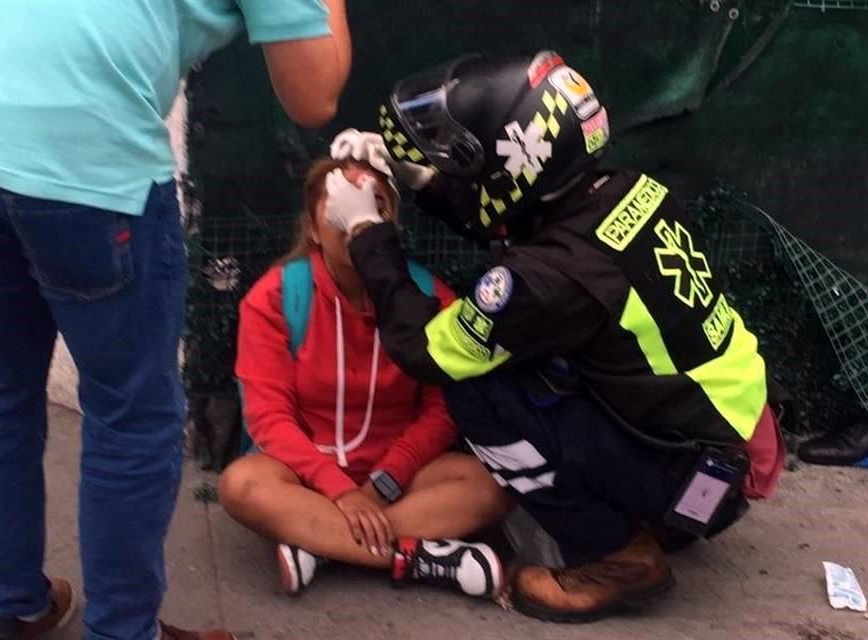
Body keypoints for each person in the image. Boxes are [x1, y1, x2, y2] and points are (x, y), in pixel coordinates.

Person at [326, 51, 785, 623]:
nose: (450, 172)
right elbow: (501, 212)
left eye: (460, 162)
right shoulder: (624, 192)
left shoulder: (551, 278)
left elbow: (427, 349)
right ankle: (646, 511)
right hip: (731, 436)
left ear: (515, 167)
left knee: (478, 388)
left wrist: (369, 233)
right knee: (537, 364)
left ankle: (615, 558)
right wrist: (412, 175)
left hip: (702, 474)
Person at [0, 3, 352, 640]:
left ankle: (13, 609)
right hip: (90, 165)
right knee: (133, 417)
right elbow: (314, 93)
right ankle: (122, 631)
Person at [218, 158, 510, 600]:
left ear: (390, 222)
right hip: (304, 475)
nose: (358, 220)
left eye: (374, 206)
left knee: (493, 484)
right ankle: (425, 559)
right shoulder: (276, 297)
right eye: (342, 206)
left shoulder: (428, 298)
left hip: (399, 475)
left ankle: (322, 544)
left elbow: (442, 408)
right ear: (314, 229)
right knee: (241, 486)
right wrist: (338, 489)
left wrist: (383, 482)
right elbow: (268, 417)